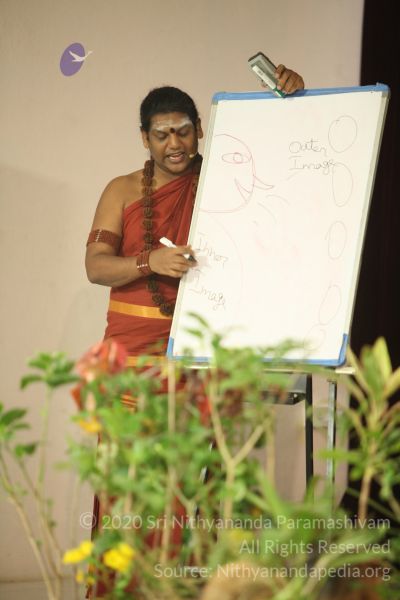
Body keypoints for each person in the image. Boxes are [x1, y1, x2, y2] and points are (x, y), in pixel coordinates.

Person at [85, 64, 305, 367]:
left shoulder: (228, 182)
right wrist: (150, 262)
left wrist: (294, 99)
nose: (175, 144)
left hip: (209, 346)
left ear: (199, 129)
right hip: (132, 353)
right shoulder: (121, 190)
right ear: (145, 138)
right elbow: (96, 267)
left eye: (184, 132)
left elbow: (287, 164)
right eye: (161, 136)